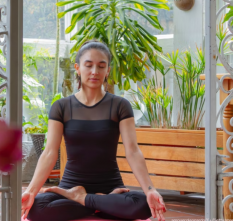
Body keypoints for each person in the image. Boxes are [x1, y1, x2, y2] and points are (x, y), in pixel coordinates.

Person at [21, 40, 167, 221]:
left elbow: (133, 151)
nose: (94, 72)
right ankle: (101, 204)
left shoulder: (120, 106)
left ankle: (82, 199)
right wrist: (30, 192)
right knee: (37, 207)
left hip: (111, 188)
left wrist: (150, 190)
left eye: (101, 66)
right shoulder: (61, 107)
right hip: (69, 188)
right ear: (77, 68)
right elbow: (50, 152)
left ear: (108, 71)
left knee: (144, 204)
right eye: (88, 65)